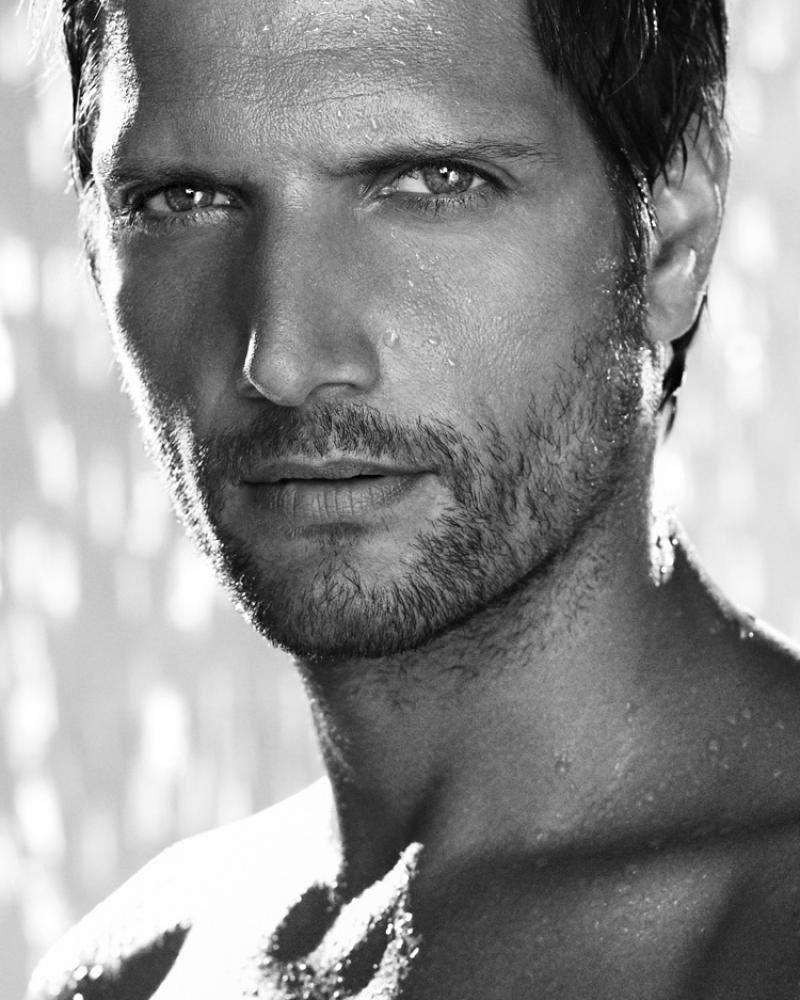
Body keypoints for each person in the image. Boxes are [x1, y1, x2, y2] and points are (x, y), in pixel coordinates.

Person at [24, 0, 800, 997]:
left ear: (668, 237)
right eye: (184, 199)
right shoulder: (129, 972)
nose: (284, 359)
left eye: (433, 184)